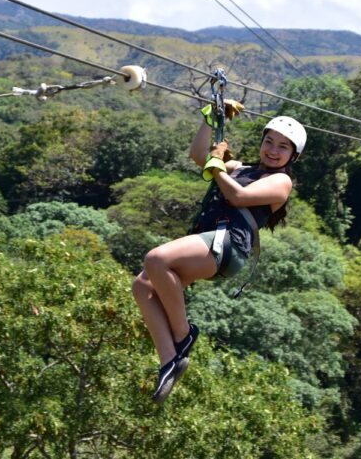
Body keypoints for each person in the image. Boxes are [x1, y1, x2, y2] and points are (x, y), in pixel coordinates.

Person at [131, 101, 307, 404]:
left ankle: (183, 335)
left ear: (293, 156)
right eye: (269, 142)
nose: (273, 151)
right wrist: (212, 119)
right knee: (142, 285)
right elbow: (199, 156)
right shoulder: (242, 168)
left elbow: (239, 196)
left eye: (282, 147)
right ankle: (169, 360)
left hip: (229, 245)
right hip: (211, 241)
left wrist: (217, 166)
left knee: (156, 258)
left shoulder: (281, 182)